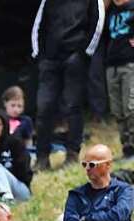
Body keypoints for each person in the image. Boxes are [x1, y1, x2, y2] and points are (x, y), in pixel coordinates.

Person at [32, 0, 103, 169]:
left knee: (72, 106)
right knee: (43, 108)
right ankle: (42, 157)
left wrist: (85, 53)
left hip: (75, 57)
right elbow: (38, 25)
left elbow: (97, 23)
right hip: (49, 58)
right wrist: (39, 55)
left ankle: (72, 154)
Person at [107, 2, 134, 157]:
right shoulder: (110, 11)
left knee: (130, 107)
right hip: (111, 64)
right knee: (117, 110)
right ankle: (127, 147)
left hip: (130, 63)